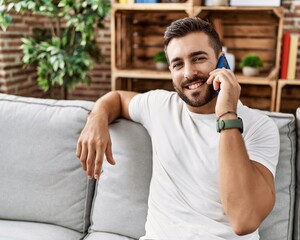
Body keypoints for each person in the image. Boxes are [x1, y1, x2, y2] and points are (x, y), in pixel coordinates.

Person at [76, 17, 280, 240]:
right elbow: (117, 98)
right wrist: (96, 119)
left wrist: (227, 114)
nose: (188, 73)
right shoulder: (160, 106)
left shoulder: (259, 127)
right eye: (178, 64)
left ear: (223, 63)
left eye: (198, 58)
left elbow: (244, 220)